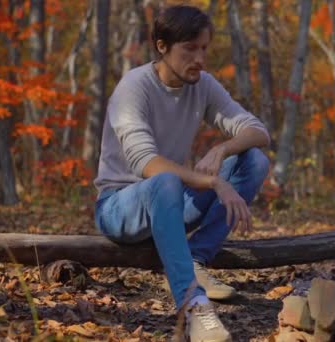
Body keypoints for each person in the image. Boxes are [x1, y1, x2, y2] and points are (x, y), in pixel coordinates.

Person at [93, 5, 270, 341]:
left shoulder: (202, 84)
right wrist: (214, 181)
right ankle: (194, 308)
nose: (199, 58)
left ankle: (197, 259)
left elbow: (257, 130)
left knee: (255, 160)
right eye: (189, 48)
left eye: (204, 48)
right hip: (119, 208)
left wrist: (221, 149)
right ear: (162, 46)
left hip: (171, 203)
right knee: (164, 181)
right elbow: (146, 162)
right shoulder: (134, 87)